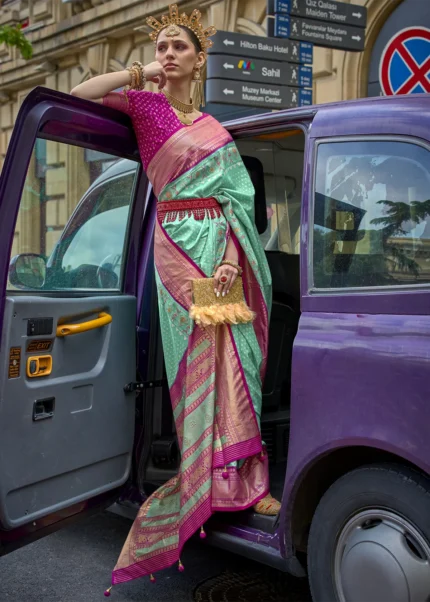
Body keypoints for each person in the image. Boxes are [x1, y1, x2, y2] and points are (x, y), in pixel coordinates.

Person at [70, 4, 280, 593]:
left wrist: (229, 258)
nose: (168, 55)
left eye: (177, 48)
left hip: (223, 252)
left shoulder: (214, 128)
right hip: (175, 250)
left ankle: (245, 480)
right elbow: (77, 93)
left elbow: (238, 204)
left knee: (237, 361)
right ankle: (202, 479)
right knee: (196, 367)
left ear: (198, 57)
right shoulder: (146, 106)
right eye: (161, 46)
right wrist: (133, 76)